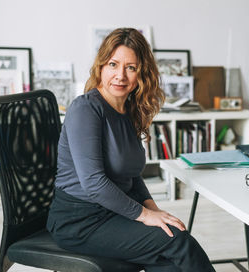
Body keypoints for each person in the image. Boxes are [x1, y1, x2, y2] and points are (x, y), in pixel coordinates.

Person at [47, 28, 215, 272]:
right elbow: (93, 183)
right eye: (113, 64)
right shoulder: (85, 109)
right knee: (178, 242)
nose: (120, 76)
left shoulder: (129, 111)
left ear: (141, 74)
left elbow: (131, 174)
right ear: (101, 67)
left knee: (170, 255)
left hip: (115, 210)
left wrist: (153, 208)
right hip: (79, 221)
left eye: (131, 68)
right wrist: (145, 215)